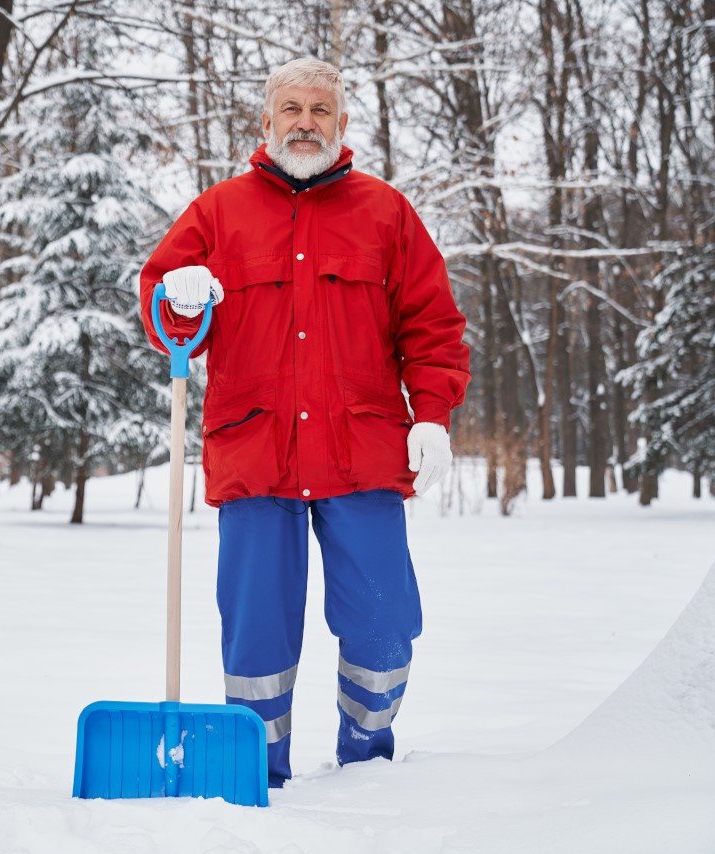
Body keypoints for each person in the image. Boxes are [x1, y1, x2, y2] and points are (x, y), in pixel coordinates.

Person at [139, 57, 470, 787]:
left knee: (385, 622)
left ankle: (367, 758)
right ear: (266, 123)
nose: (305, 122)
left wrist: (435, 414)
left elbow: (433, 325)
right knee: (256, 632)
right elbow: (164, 312)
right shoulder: (218, 213)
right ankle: (257, 769)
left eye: (320, 110)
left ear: (343, 123)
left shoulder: (385, 213)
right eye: (290, 109)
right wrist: (182, 299)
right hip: (256, 453)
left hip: (364, 453)